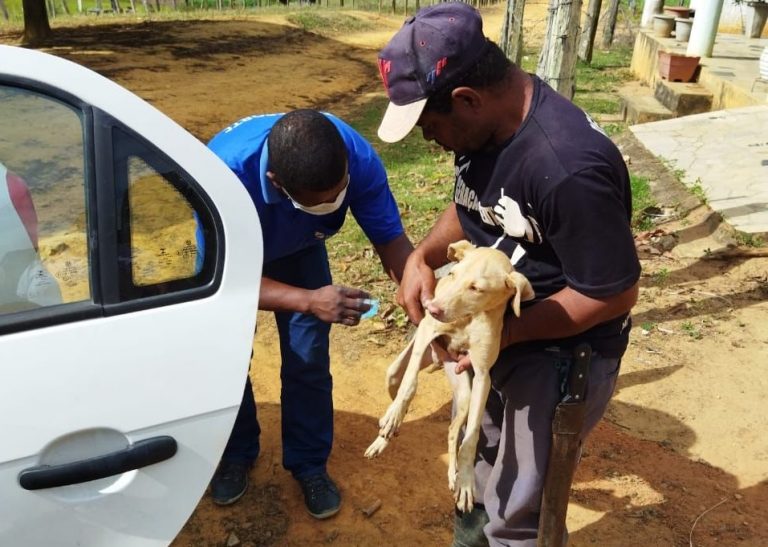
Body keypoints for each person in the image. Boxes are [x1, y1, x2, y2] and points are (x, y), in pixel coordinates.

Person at [375, 4, 641, 546]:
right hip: (500, 342)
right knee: (474, 459)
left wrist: (497, 335)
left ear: (466, 100)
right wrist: (421, 256)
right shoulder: (487, 128)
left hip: (559, 358)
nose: (431, 140)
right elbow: (474, 205)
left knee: (519, 509)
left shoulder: (568, 168)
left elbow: (611, 293)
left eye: (430, 126)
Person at [207, 109, 413, 519]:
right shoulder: (221, 176)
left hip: (301, 249)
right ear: (277, 184)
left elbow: (391, 242)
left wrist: (422, 304)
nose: (333, 205)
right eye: (320, 202)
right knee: (226, 364)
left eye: (339, 194)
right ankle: (236, 453)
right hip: (236, 254)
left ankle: (308, 464)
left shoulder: (355, 157)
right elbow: (221, 280)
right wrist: (308, 300)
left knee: (308, 360)